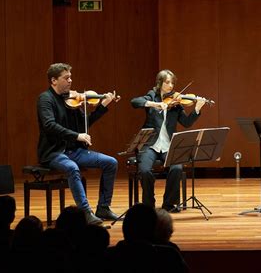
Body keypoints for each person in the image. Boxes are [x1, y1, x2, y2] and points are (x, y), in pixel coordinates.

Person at [37, 63, 119, 225]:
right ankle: (85, 212)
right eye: (66, 78)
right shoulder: (45, 99)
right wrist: (77, 136)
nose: (70, 81)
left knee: (111, 163)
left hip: (75, 151)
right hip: (54, 152)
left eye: (70, 77)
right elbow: (49, 125)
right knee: (72, 168)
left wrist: (102, 106)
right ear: (54, 80)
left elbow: (84, 125)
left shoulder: (72, 100)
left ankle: (103, 207)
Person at [131, 69, 206, 213]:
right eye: (167, 82)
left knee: (177, 168)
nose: (171, 85)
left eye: (172, 82)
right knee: (145, 171)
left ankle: (169, 204)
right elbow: (135, 102)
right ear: (160, 83)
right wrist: (155, 104)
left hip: (169, 146)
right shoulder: (152, 95)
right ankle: (148, 204)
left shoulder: (176, 102)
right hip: (150, 145)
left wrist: (196, 109)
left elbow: (186, 122)